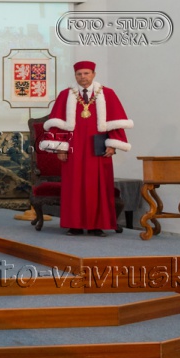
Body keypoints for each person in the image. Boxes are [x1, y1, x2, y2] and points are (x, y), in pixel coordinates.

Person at [40, 61, 132, 236]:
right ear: (75, 75)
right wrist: (60, 148)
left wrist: (113, 145)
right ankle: (74, 225)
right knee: (73, 187)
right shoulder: (65, 95)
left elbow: (115, 122)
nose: (83, 77)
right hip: (73, 148)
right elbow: (57, 124)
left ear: (93, 74)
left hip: (98, 149)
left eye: (86, 73)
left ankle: (96, 226)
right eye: (79, 74)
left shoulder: (108, 94)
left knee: (98, 187)